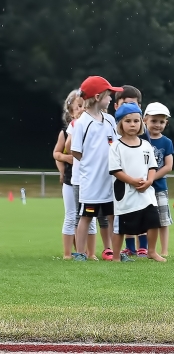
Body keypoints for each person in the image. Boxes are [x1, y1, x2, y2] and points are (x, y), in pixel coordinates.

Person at [70, 76, 123, 261]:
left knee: (111, 216)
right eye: (109, 95)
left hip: (109, 180)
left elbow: (116, 146)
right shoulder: (82, 122)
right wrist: (92, 164)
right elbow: (76, 151)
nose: (111, 99)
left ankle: (113, 251)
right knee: (86, 216)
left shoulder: (109, 120)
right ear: (99, 96)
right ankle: (80, 252)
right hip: (91, 182)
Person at [109, 103, 166, 262]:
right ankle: (115, 257)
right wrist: (133, 181)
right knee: (121, 228)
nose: (132, 124)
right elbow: (116, 170)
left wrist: (149, 181)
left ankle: (152, 251)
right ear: (120, 124)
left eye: (136, 121)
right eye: (128, 121)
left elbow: (152, 166)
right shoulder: (116, 147)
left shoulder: (146, 145)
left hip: (146, 193)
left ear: (141, 122)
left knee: (154, 221)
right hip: (126, 193)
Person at [114, 85, 150, 257]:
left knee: (144, 213)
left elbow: (150, 159)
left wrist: (149, 179)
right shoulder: (115, 131)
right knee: (126, 214)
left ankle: (143, 246)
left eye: (134, 105)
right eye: (125, 104)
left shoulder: (143, 135)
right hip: (123, 180)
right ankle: (129, 247)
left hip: (143, 181)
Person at [53, 90, 84, 259]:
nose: (82, 109)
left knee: (86, 216)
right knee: (71, 215)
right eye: (78, 106)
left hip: (87, 179)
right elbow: (57, 154)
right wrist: (67, 159)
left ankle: (83, 251)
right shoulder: (65, 133)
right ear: (71, 112)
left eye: (85, 106)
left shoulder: (93, 131)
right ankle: (67, 253)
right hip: (70, 179)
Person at [144, 102, 174, 257]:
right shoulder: (140, 140)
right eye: (154, 121)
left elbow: (168, 166)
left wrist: (151, 179)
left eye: (161, 122)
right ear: (145, 120)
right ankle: (143, 249)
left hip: (159, 187)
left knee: (163, 220)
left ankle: (163, 250)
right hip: (141, 187)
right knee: (144, 220)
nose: (158, 125)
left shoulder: (166, 142)